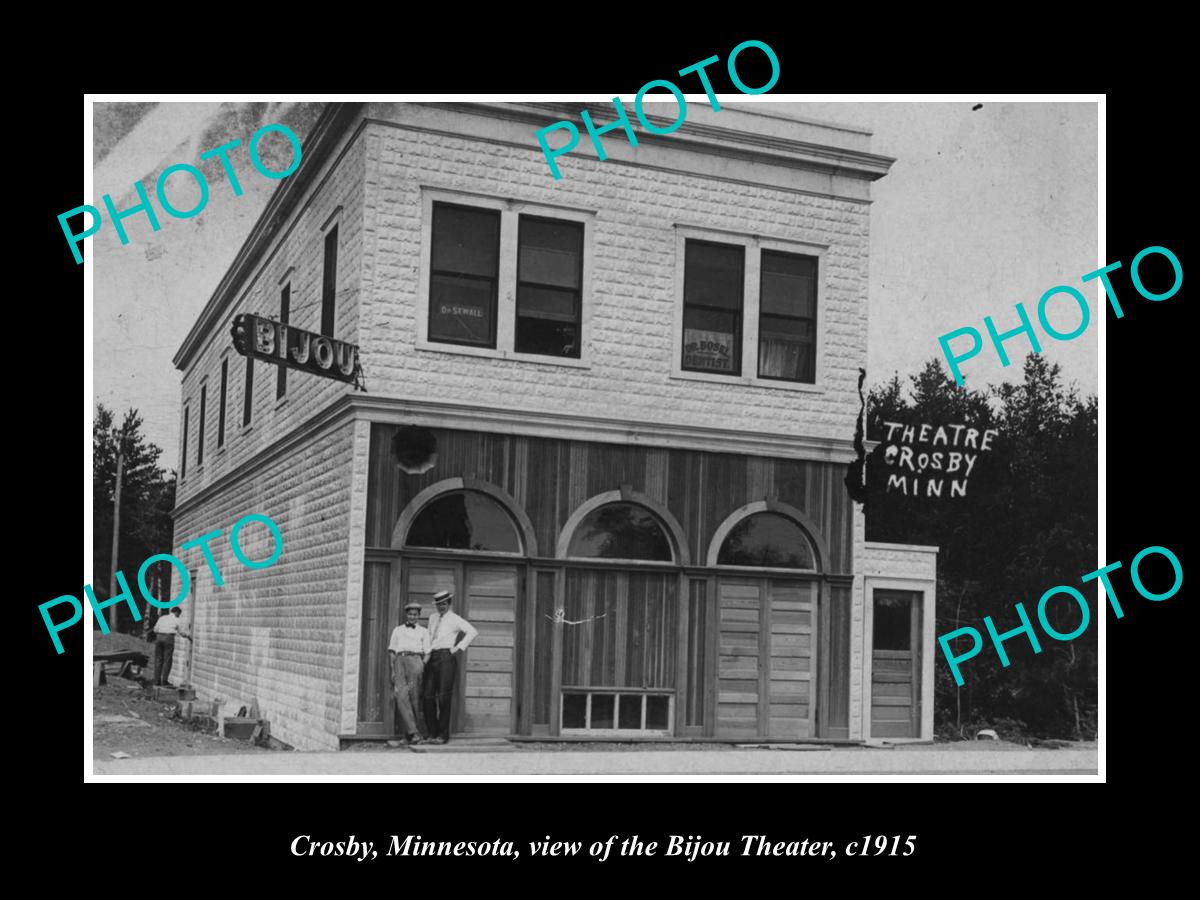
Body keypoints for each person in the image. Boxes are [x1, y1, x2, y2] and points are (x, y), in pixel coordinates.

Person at [421, 589, 478, 744]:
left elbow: (472, 631)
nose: (441, 607)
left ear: (449, 604)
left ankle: (442, 735)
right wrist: (426, 653)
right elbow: (428, 636)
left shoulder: (454, 618)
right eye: (438, 604)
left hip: (446, 657)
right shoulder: (432, 617)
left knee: (444, 698)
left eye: (444, 604)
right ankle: (432, 733)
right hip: (432, 656)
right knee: (427, 696)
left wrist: (457, 648)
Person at [387, 600, 430, 745]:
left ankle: (410, 735)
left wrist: (421, 666)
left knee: (414, 698)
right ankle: (414, 732)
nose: (412, 617)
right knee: (401, 697)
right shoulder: (397, 630)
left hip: (415, 661)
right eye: (410, 614)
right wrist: (393, 670)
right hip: (400, 661)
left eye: (415, 615)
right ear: (406, 615)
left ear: (418, 616)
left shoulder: (424, 631)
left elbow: (428, 652)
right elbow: (392, 652)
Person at [152, 607, 190, 687]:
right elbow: (181, 632)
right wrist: (188, 636)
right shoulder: (177, 620)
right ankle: (164, 681)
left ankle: (156, 681)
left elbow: (155, 629)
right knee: (167, 660)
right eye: (179, 614)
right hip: (168, 638)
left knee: (158, 659)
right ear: (176, 612)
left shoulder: (162, 618)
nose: (179, 616)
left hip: (159, 637)